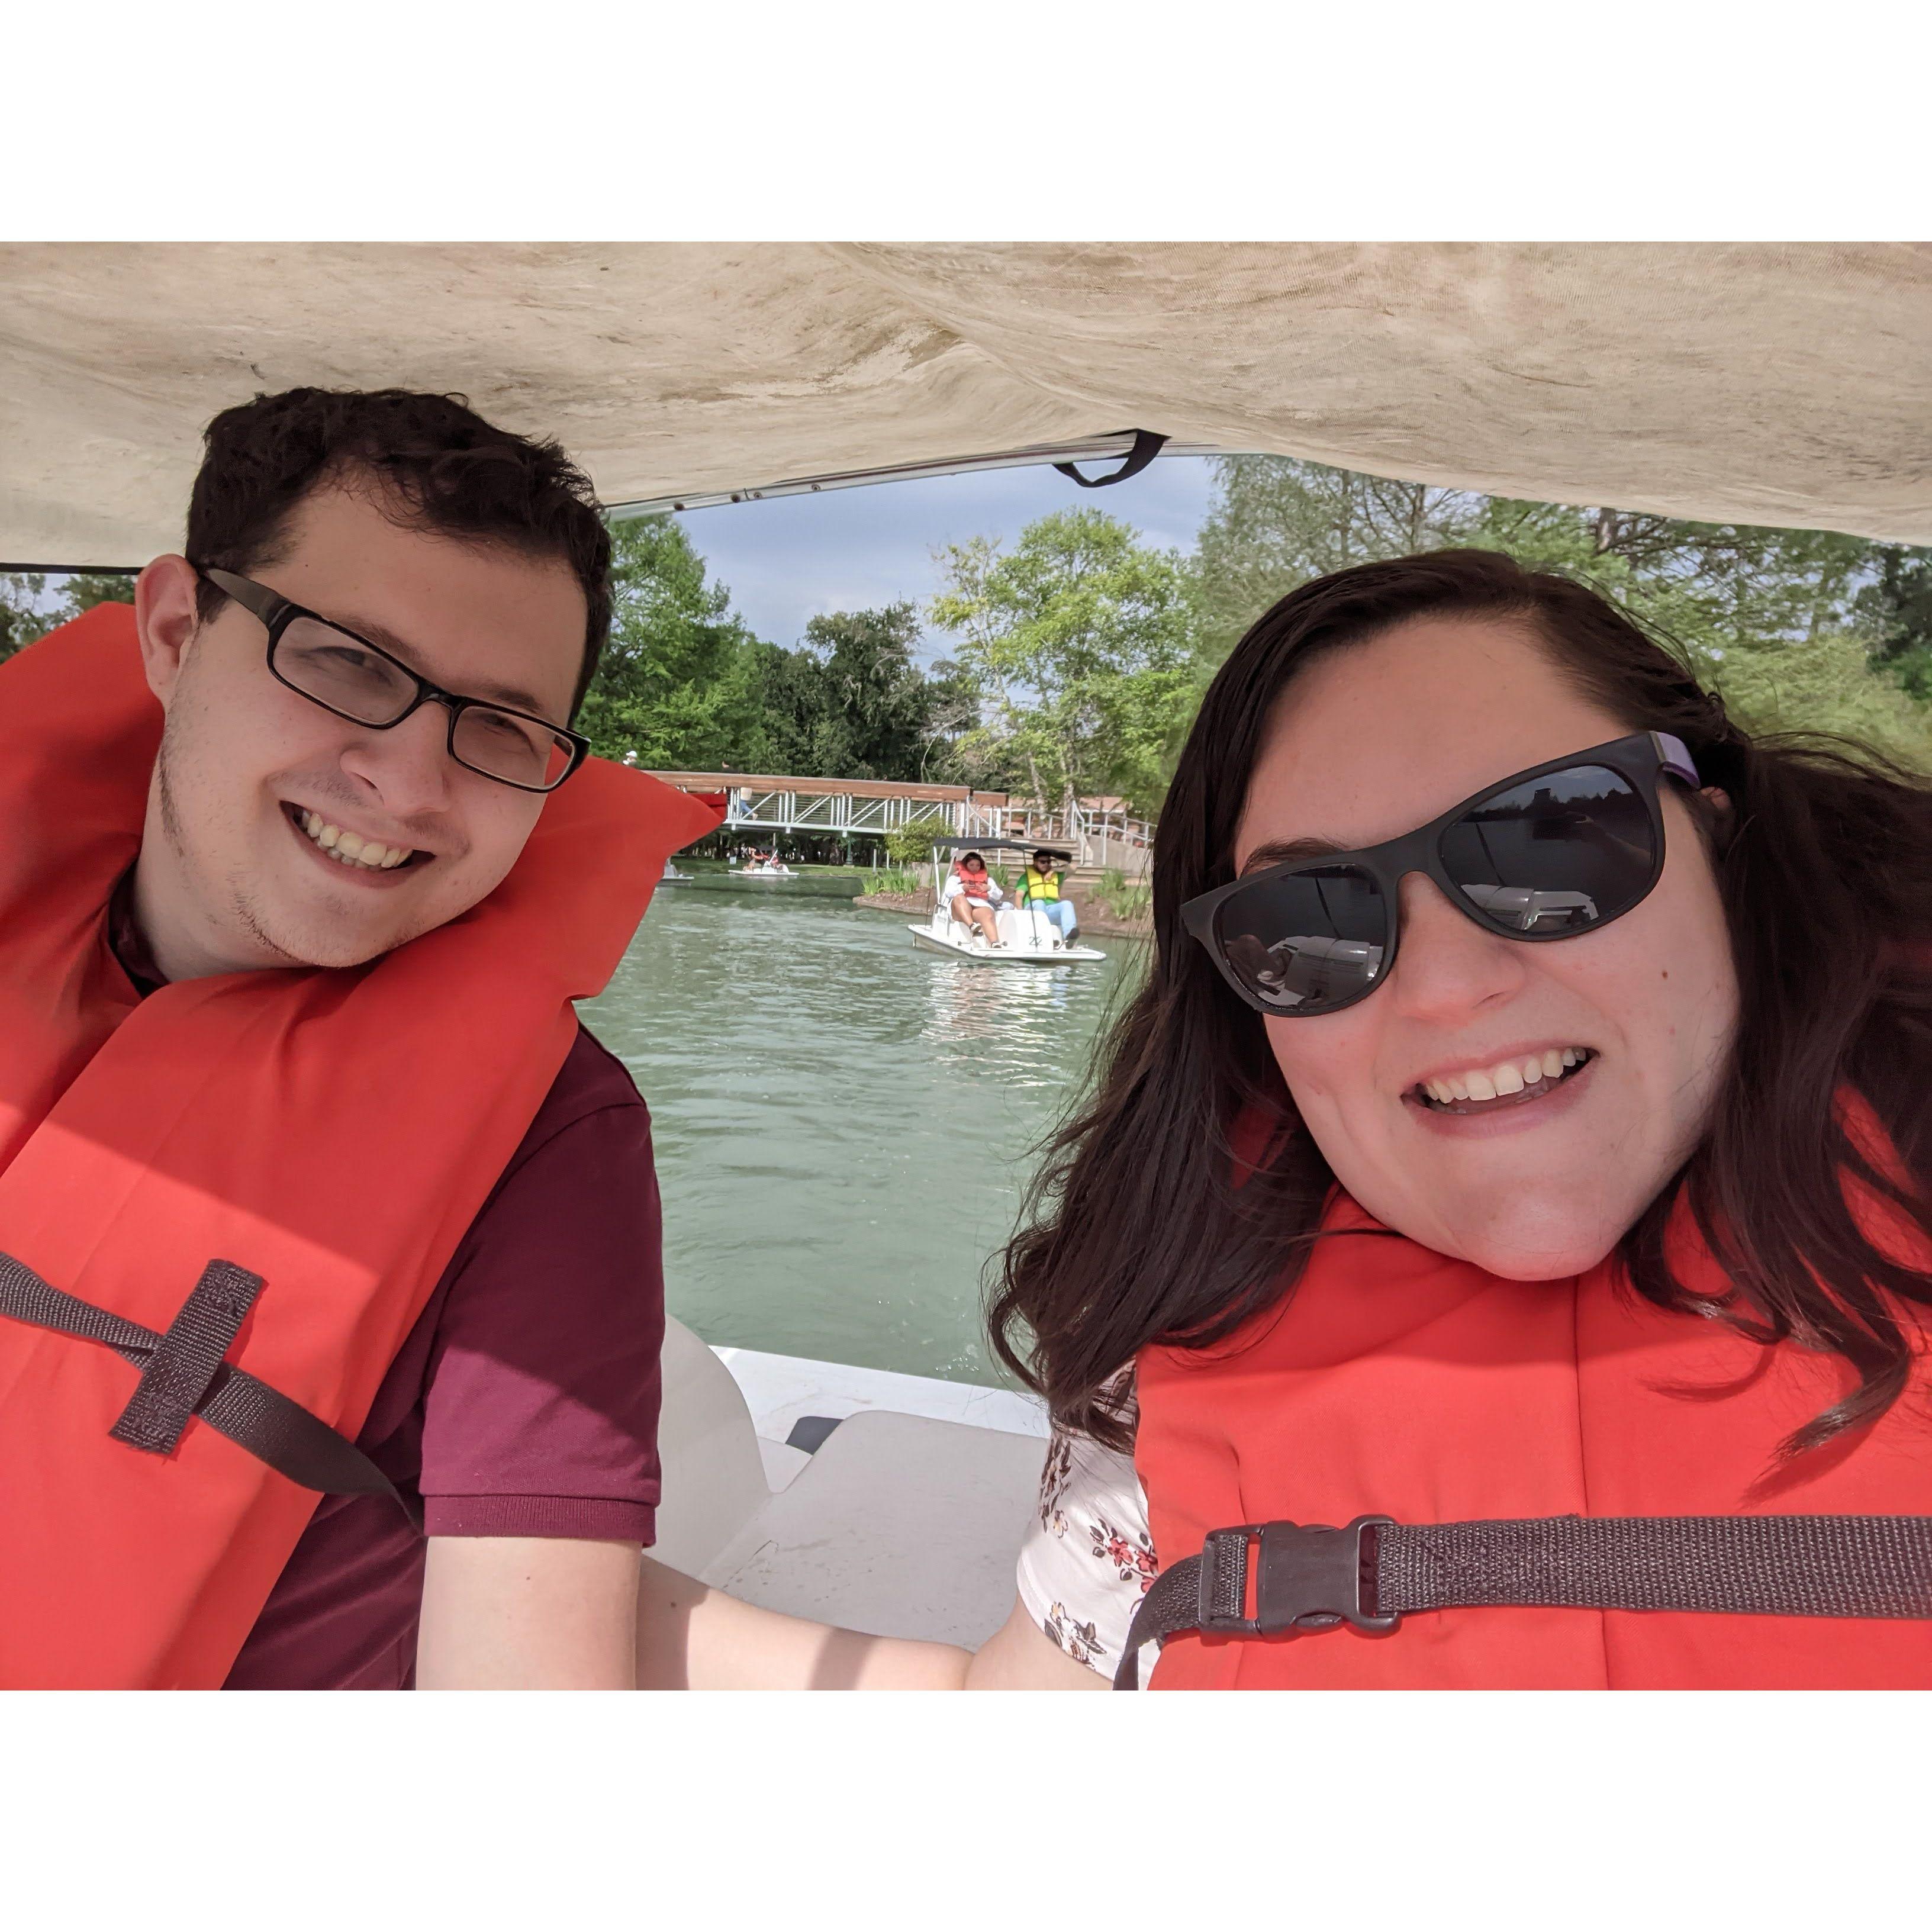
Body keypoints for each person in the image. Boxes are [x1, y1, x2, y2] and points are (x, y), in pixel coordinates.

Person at [971, 548, 1932, 1689]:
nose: (1439, 985)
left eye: (1549, 837)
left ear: (1717, 841)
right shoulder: (1175, 1332)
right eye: (1307, 916)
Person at [0, 387, 715, 1689]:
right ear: (174, 631)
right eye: (346, 660)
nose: (409, 782)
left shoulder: (552, 1140)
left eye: (497, 725)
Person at [1019, 848, 1078, 945]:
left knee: (1067, 904)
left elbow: (1074, 867)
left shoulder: (1056, 875)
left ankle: (1069, 937)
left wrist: (1054, 870)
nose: (1046, 864)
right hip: (1032, 912)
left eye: (1048, 862)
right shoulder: (1026, 877)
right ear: (1035, 862)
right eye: (1043, 862)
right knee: (1039, 903)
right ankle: (1045, 937)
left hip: (1050, 911)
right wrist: (1020, 916)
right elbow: (1019, 896)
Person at [945, 850, 1004, 944]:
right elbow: (948, 892)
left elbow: (998, 896)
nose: (975, 868)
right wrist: (962, 888)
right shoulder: (955, 879)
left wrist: (989, 889)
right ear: (966, 865)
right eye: (971, 865)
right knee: (959, 898)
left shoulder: (988, 880)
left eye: (978, 865)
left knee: (988, 914)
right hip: (959, 908)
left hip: (979, 906)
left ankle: (995, 943)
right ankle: (972, 926)